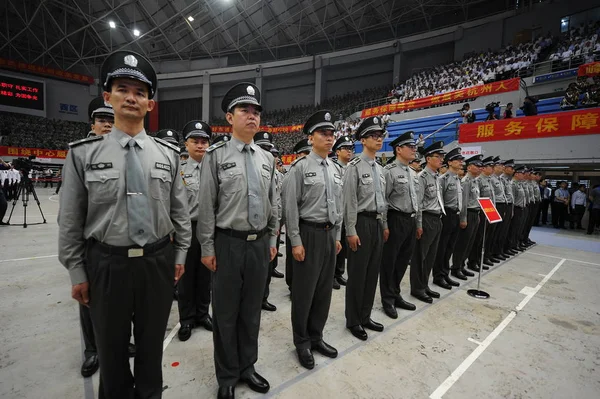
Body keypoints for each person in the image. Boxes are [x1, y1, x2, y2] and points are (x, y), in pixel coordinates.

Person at [58, 50, 191, 398]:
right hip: (107, 265)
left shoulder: (167, 155)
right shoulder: (83, 154)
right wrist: (77, 272)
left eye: (140, 91)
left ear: (150, 103)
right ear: (108, 97)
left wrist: (179, 257)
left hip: (157, 262)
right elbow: (70, 222)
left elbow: (180, 212)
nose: (131, 97)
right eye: (122, 88)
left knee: (151, 349)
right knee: (112, 352)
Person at [197, 82, 278, 399]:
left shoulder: (266, 159)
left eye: (256, 110)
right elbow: (206, 206)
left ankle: (247, 366)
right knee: (226, 314)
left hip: (259, 245)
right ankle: (227, 375)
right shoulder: (216, 156)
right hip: (228, 244)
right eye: (245, 109)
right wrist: (206, 247)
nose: (252, 115)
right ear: (229, 117)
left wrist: (272, 239)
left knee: (251, 312)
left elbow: (273, 203)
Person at [283, 110, 343, 370]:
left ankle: (316, 336)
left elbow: (339, 204)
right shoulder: (300, 168)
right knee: (304, 292)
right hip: (308, 233)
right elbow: (290, 208)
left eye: (331, 134)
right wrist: (295, 241)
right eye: (323, 134)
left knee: (323, 291)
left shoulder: (335, 168)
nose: (329, 139)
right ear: (311, 138)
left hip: (330, 235)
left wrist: (337, 235)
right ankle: (302, 341)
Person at [343, 116, 387, 341]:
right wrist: (350, 230)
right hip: (361, 222)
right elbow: (349, 201)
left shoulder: (380, 169)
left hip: (377, 222)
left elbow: (383, 200)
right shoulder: (354, 167)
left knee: (372, 274)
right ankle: (353, 320)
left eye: (380, 136)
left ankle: (365, 315)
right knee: (358, 274)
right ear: (363, 139)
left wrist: (385, 224)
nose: (378, 139)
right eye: (373, 136)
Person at [176, 121, 214, 342]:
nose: (200, 146)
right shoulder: (179, 171)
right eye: (195, 141)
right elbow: (174, 205)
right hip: (187, 229)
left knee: (206, 274)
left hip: (209, 229)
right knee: (186, 276)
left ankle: (202, 313)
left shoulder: (215, 170)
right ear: (187, 144)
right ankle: (187, 319)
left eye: (204, 141)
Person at [380, 131, 419, 319]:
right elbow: (383, 200)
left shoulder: (412, 173)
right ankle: (387, 298)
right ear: (398, 149)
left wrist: (417, 223)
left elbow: (415, 200)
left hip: (410, 221)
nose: (414, 149)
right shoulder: (389, 171)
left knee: (403, 260)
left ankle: (396, 294)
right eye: (410, 147)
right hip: (395, 220)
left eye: (414, 146)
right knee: (390, 261)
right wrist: (385, 225)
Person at [411, 141, 446, 303]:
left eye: (442, 156)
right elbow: (417, 204)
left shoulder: (436, 177)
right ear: (428, 158)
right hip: (426, 219)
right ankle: (417, 288)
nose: (441, 159)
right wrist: (418, 225)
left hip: (437, 218)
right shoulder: (422, 178)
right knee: (421, 256)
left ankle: (424, 284)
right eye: (437, 157)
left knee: (431, 256)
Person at [253, 131, 279, 313]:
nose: (267, 152)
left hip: (270, 227)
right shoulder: (253, 168)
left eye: (269, 149)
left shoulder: (274, 172)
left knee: (267, 268)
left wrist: (276, 228)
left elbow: (275, 202)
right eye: (263, 147)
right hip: (253, 227)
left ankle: (264, 297)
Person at [433, 147, 464, 290]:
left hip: (456, 215)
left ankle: (445, 273)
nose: (461, 163)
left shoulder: (457, 179)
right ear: (450, 162)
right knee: (442, 247)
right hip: (447, 215)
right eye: (458, 160)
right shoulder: (443, 179)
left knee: (450, 247)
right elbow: (440, 200)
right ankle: (438, 275)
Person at [285, 139, 312, 292]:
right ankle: (292, 284)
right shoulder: (293, 173)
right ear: (298, 155)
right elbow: (288, 202)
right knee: (293, 256)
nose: (308, 157)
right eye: (305, 153)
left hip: (306, 223)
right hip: (296, 222)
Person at [451, 154, 483, 281]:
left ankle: (462, 265)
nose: (480, 168)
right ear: (469, 167)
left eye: (481, 166)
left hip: (475, 213)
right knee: (462, 243)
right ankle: (456, 267)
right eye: (477, 166)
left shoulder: (475, 181)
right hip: (468, 213)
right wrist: (463, 218)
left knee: (469, 243)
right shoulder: (466, 182)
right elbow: (463, 202)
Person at [331, 135, 354, 290]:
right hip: (336, 214)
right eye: (346, 148)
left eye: (351, 148)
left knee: (344, 247)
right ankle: (331, 275)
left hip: (348, 215)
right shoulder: (333, 168)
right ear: (337, 151)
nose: (349, 151)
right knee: (335, 247)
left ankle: (339, 273)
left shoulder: (351, 169)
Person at [467, 156, 495, 272]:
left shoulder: (487, 180)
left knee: (483, 238)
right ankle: (473, 261)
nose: (492, 169)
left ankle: (478, 259)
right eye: (490, 166)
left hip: (487, 211)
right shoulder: (477, 180)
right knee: (476, 239)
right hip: (480, 211)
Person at [499, 160, 517, 257]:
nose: (513, 170)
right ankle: (497, 251)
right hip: (502, 206)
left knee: (505, 230)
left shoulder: (507, 180)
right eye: (511, 167)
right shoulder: (501, 179)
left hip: (509, 205)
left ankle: (502, 250)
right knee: (500, 231)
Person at [507, 166, 528, 252]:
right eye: (522, 173)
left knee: (518, 228)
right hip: (515, 208)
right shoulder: (513, 184)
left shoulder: (519, 184)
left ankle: (515, 244)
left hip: (521, 208)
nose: (524, 175)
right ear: (517, 174)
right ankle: (510, 246)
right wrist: (512, 211)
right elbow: (512, 199)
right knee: (512, 229)